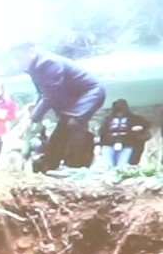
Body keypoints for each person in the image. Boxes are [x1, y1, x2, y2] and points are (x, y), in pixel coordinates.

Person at [11, 42, 106, 173]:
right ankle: (49, 164)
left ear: (31, 52)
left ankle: (76, 165)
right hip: (72, 97)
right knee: (63, 128)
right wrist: (33, 115)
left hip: (89, 93)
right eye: (15, 59)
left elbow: (51, 96)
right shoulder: (33, 69)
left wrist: (33, 118)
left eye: (19, 58)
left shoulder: (49, 63)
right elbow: (42, 93)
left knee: (73, 124)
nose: (17, 62)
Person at [98, 99, 151, 168]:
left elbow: (146, 125)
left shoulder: (134, 118)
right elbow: (102, 132)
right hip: (108, 144)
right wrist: (100, 145)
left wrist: (140, 127)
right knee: (108, 166)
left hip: (127, 144)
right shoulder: (108, 119)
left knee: (122, 166)